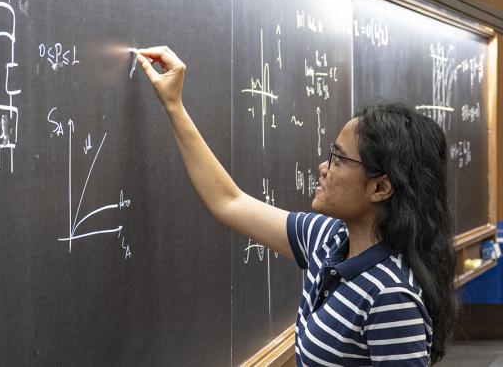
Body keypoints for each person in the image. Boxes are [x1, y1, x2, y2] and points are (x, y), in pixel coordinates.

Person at [134, 46, 457, 366]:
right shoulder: (328, 239)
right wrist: (173, 104)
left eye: (338, 159)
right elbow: (229, 201)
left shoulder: (390, 297)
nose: (323, 167)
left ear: (380, 187)